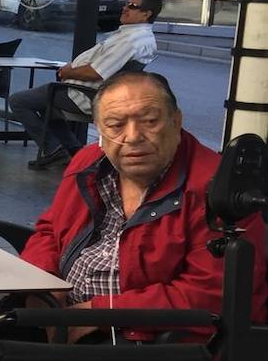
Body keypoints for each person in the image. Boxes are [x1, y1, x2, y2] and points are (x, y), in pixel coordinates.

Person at [20, 71, 267, 340]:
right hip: (62, 313)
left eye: (150, 121)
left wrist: (100, 313)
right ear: (100, 130)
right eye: (115, 125)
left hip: (144, 338)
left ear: (176, 121)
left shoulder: (217, 191)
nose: (133, 136)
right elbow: (49, 229)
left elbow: (213, 293)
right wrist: (42, 285)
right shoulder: (88, 163)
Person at [10, 0, 161, 169]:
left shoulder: (130, 42)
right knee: (46, 105)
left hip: (87, 94)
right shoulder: (136, 37)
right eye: (126, 4)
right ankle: (73, 151)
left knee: (18, 101)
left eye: (132, 6)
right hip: (89, 91)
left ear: (146, 14)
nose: (125, 9)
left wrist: (67, 72)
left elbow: (96, 73)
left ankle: (53, 149)